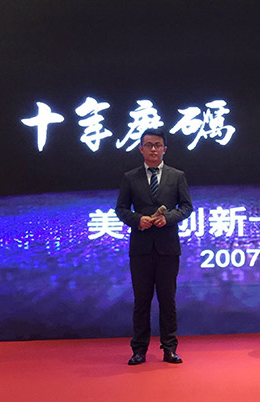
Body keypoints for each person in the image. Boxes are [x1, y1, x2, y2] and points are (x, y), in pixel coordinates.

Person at [115, 128, 193, 365]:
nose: (153, 149)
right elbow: (121, 209)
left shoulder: (177, 176)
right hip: (141, 248)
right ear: (141, 149)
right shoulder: (130, 177)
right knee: (142, 301)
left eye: (157, 145)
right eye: (148, 145)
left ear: (164, 149)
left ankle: (169, 348)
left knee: (168, 300)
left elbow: (186, 207)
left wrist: (167, 218)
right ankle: (139, 350)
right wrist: (137, 220)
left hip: (168, 248)